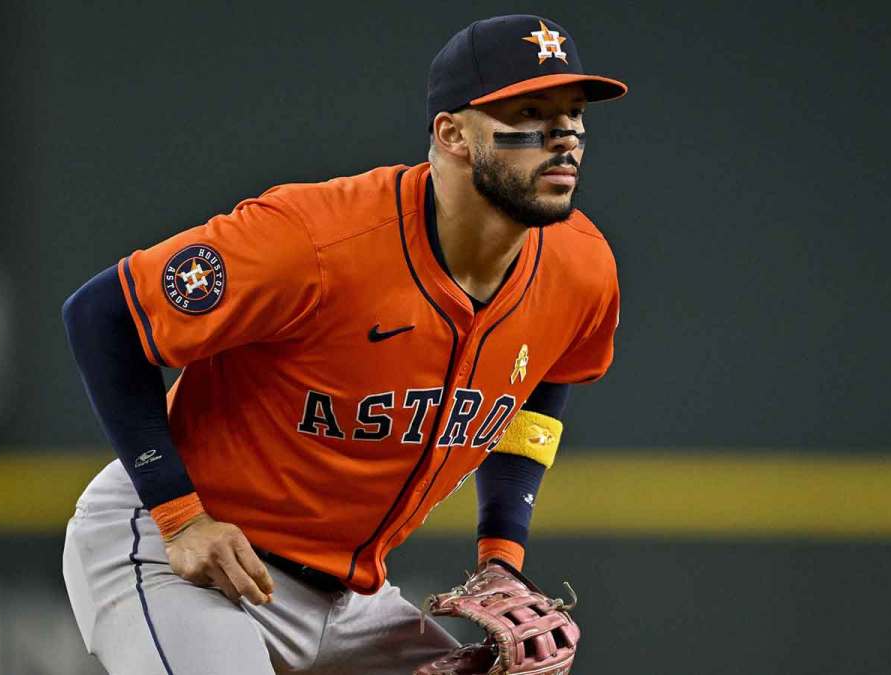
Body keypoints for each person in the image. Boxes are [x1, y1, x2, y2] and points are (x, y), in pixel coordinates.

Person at [60, 13, 626, 675]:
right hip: (185, 555)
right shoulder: (316, 241)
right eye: (531, 113)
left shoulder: (580, 268)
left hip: (350, 597)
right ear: (453, 134)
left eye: (573, 116)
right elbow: (102, 314)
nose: (563, 138)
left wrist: (502, 552)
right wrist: (180, 516)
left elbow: (547, 374)